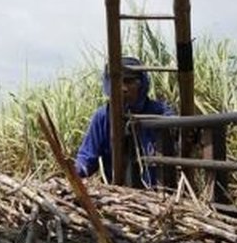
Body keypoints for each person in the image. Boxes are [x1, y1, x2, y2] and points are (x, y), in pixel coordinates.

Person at [74, 55, 174, 187]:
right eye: (118, 82)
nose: (123, 88)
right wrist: (77, 171)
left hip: (157, 191)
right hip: (119, 192)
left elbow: (179, 131)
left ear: (141, 84)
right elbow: (87, 156)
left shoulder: (159, 112)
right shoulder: (103, 117)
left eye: (129, 81)